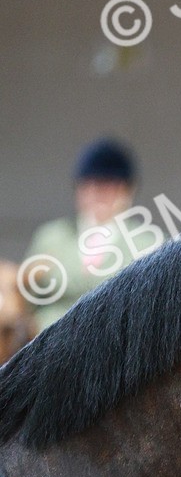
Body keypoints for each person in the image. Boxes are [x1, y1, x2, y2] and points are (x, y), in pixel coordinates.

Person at [22, 138, 140, 332]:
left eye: (108, 187)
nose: (98, 194)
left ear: (126, 191)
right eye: (91, 185)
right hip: (49, 341)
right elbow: (27, 300)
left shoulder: (150, 243)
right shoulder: (51, 237)